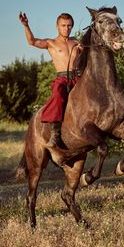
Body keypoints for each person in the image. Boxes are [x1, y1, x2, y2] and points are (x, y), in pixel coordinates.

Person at [19, 11, 82, 147]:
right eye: (63, 25)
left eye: (69, 25)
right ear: (57, 26)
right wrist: (26, 25)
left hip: (77, 78)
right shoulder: (51, 43)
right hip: (62, 79)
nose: (67, 28)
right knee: (58, 95)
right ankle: (55, 133)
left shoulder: (76, 42)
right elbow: (32, 41)